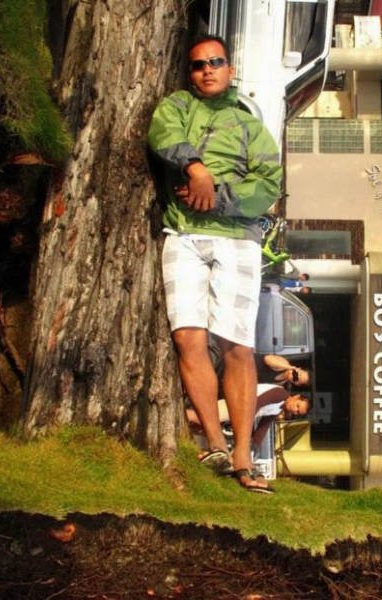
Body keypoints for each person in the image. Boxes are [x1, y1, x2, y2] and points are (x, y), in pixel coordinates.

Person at [148, 35, 282, 494]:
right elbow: (164, 135)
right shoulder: (177, 107)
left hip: (237, 240)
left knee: (236, 346)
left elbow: (268, 185)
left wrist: (217, 197)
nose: (207, 69)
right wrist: (197, 170)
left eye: (215, 62)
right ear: (190, 72)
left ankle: (245, 452)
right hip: (182, 235)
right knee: (188, 337)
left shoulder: (250, 126)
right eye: (198, 64)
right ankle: (214, 444)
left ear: (230, 69)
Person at [186, 384, 311, 452]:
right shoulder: (280, 394)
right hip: (236, 404)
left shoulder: (279, 408)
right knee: (201, 418)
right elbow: (257, 403)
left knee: (202, 427)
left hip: (238, 412)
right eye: (297, 406)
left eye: (297, 412)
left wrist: (255, 444)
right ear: (296, 397)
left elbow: (264, 425)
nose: (295, 410)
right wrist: (245, 433)